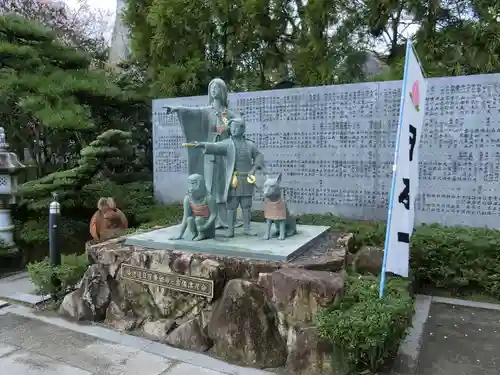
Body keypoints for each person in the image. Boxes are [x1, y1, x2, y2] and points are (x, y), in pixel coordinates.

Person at [194, 118, 266, 237]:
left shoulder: (250, 144)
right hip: (233, 180)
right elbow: (215, 146)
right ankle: (230, 230)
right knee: (231, 206)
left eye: (236, 127)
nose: (233, 130)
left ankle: (247, 228)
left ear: (243, 129)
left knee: (246, 205)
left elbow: (259, 156)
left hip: (246, 179)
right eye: (231, 127)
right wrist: (202, 144)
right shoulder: (227, 144)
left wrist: (253, 170)